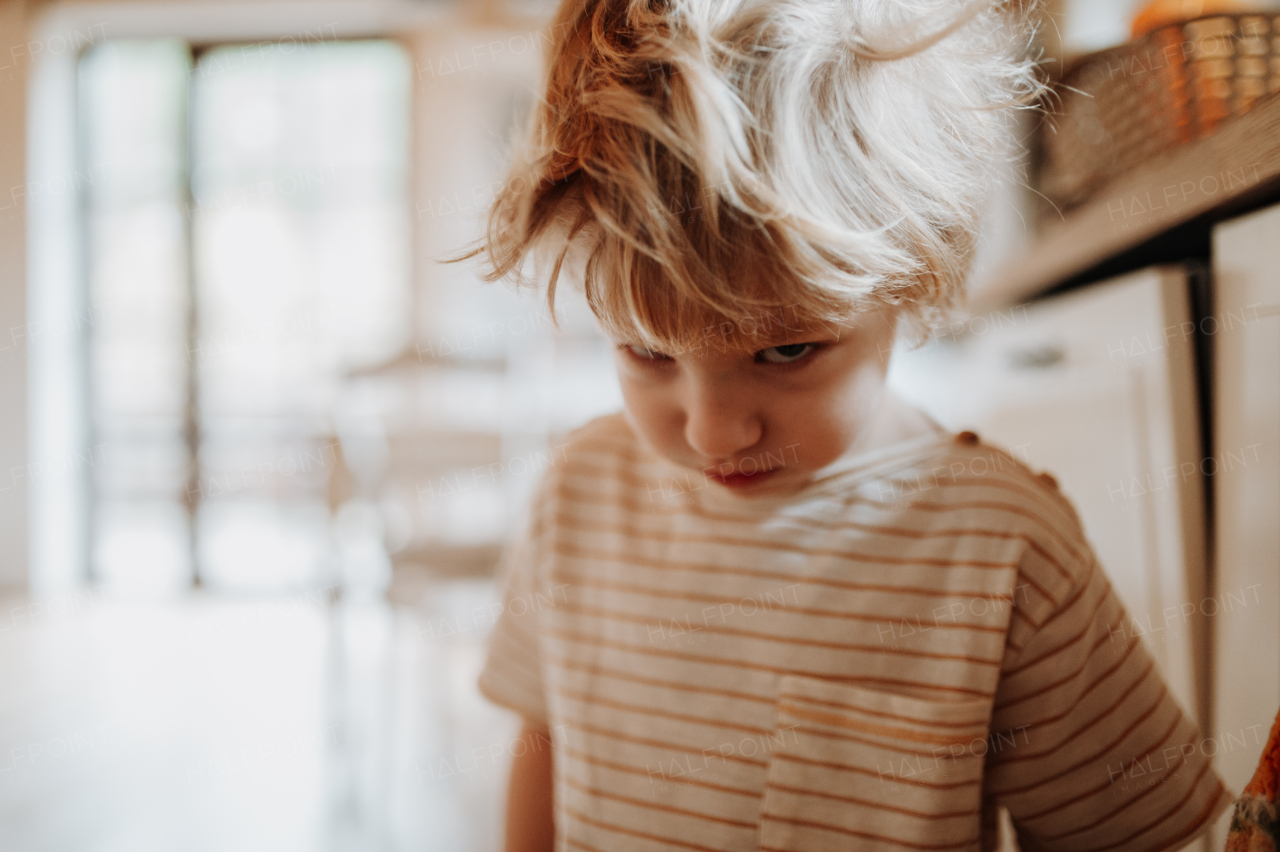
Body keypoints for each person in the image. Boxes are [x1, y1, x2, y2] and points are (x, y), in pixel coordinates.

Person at [458, 0, 1233, 849]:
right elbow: (543, 740)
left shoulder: (1003, 550)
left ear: (911, 281)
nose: (714, 434)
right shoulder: (578, 492)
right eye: (647, 353)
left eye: (786, 351)